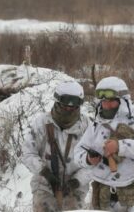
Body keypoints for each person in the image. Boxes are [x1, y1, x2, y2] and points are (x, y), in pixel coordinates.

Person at [74, 76, 134, 212]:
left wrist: (121, 147)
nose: (106, 105)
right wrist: (88, 159)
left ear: (123, 101)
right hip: (104, 194)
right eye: (103, 101)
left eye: (111, 101)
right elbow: (78, 152)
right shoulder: (96, 124)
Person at [22, 81, 92, 212]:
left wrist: (75, 182)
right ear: (58, 102)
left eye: (73, 107)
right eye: (66, 106)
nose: (69, 110)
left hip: (75, 187)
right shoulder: (42, 122)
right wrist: (46, 173)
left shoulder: (87, 127)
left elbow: (94, 163)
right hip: (44, 184)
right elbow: (28, 153)